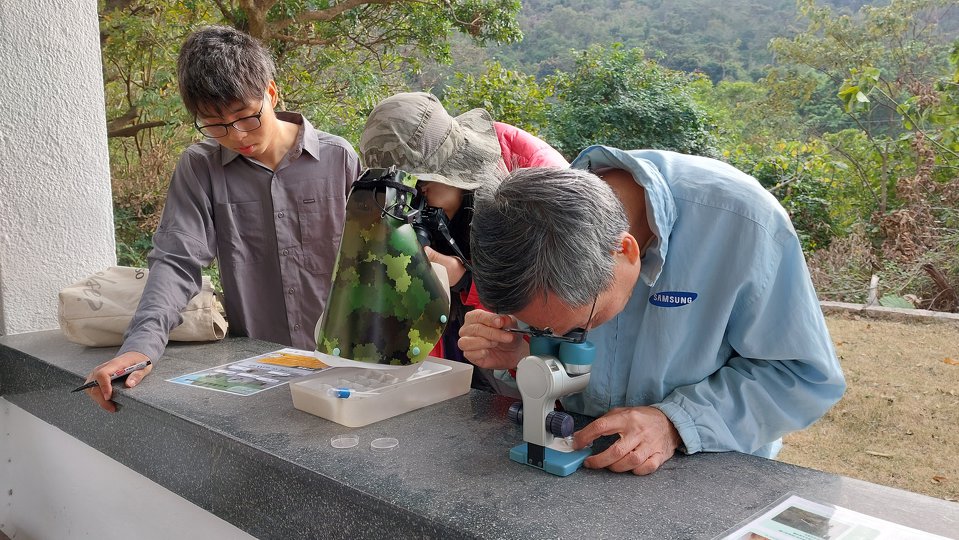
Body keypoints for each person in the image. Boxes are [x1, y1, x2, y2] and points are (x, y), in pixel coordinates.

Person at [459, 145, 847, 474]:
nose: (565, 338)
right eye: (545, 329)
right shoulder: (529, 227)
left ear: (626, 251)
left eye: (583, 326)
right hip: (591, 466)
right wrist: (518, 356)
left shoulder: (744, 224)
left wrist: (676, 422)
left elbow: (802, 377)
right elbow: (557, 357)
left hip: (707, 469)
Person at [84, 26, 360, 412]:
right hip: (262, 371)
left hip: (345, 364)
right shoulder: (200, 167)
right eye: (215, 125)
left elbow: (368, 264)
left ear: (271, 93)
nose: (236, 135)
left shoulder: (339, 159)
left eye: (246, 117)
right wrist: (139, 347)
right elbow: (177, 261)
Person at [358, 91, 568, 392]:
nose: (413, 199)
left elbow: (554, 303)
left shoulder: (536, 184)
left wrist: (468, 281)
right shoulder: (433, 185)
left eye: (418, 184)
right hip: (458, 345)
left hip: (531, 361)